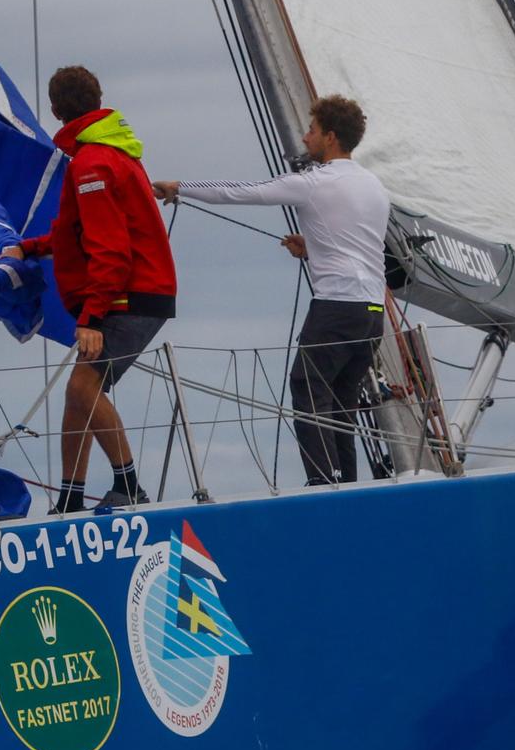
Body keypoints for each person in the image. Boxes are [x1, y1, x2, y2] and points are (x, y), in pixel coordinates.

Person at [155, 96, 388, 486]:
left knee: (307, 388)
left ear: (330, 137)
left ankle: (323, 485)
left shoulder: (315, 182)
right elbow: (358, 244)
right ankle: (347, 485)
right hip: (371, 313)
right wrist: (313, 249)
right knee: (342, 403)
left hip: (336, 309)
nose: (304, 136)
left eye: (311, 130)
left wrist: (181, 188)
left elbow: (246, 191)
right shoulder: (373, 185)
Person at [9, 66, 177, 512]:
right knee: (77, 392)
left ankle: (129, 487)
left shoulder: (91, 165)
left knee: (85, 390)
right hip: (137, 289)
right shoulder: (112, 153)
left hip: (129, 294)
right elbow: (77, 232)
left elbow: (111, 249)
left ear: (55, 109)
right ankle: (69, 498)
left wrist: (91, 318)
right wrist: (29, 249)